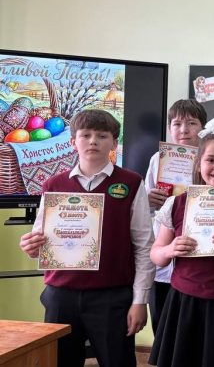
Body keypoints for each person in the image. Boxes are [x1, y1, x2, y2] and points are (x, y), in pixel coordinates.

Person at [19, 109, 155, 367]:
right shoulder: (53, 185)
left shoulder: (131, 183)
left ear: (114, 143)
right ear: (73, 142)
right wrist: (31, 245)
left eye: (102, 136)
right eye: (86, 135)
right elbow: (40, 238)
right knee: (60, 361)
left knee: (118, 361)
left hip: (111, 297)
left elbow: (143, 246)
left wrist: (140, 301)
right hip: (61, 295)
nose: (93, 141)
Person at [149, 132, 214, 367]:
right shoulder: (177, 202)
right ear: (199, 164)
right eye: (210, 160)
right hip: (184, 303)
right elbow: (156, 256)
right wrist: (170, 249)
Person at [144, 98, 207, 333]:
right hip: (163, 262)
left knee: (194, 331)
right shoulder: (158, 159)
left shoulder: (212, 161)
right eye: (177, 124)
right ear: (170, 128)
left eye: (191, 123)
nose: (184, 130)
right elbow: (147, 210)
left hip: (199, 261)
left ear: (203, 127)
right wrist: (149, 201)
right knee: (163, 329)